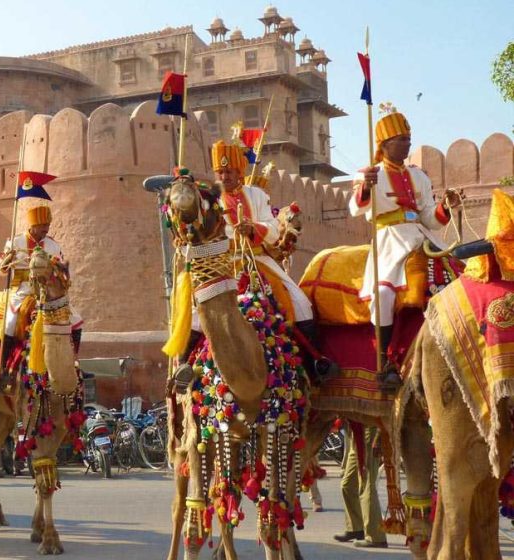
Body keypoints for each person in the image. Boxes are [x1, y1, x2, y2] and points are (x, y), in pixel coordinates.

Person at [172, 133, 336, 390]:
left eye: (230, 171)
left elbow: (273, 228)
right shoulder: (210, 200)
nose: (225, 177)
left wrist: (254, 229)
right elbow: (201, 231)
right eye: (220, 172)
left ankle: (313, 368)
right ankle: (183, 369)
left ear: (240, 172)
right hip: (225, 266)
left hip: (260, 261)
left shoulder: (257, 195)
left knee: (301, 304)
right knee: (197, 315)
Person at [349, 105, 461, 391]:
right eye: (402, 139)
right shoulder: (371, 174)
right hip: (390, 241)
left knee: (459, 273)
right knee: (384, 293)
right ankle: (384, 362)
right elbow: (354, 208)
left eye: (409, 138)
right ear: (385, 144)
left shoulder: (419, 177)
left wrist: (445, 207)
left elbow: (429, 218)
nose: (408, 143)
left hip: (421, 236)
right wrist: (366, 187)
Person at [0, 204, 82, 379]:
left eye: (47, 225)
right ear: (32, 225)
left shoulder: (52, 245)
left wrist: (63, 271)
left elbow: (62, 270)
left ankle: (73, 361)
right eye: (43, 226)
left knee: (77, 320)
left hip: (46, 291)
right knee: (10, 322)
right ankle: (3, 367)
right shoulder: (15, 242)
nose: (46, 229)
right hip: (22, 290)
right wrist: (6, 262)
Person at [334, 425, 387, 548]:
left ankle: (376, 536)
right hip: (355, 431)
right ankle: (356, 528)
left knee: (366, 485)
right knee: (347, 485)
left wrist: (380, 434)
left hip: (370, 429)